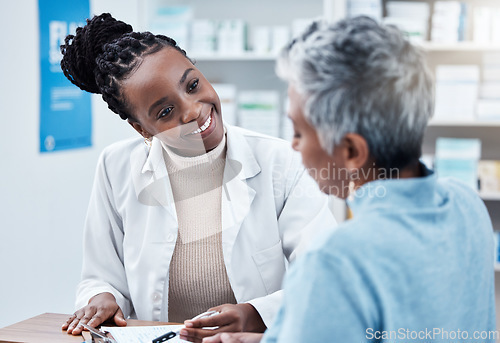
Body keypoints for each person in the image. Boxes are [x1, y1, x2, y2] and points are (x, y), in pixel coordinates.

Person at [203, 16, 496, 343]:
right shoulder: (465, 203)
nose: (295, 145)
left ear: (352, 151)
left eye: (300, 131)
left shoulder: (337, 260)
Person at [59, 13, 337, 340]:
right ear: (141, 128)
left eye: (193, 85)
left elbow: (326, 279)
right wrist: (103, 298)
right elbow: (100, 276)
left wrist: (256, 315)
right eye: (165, 112)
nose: (193, 111)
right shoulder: (115, 167)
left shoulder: (281, 162)